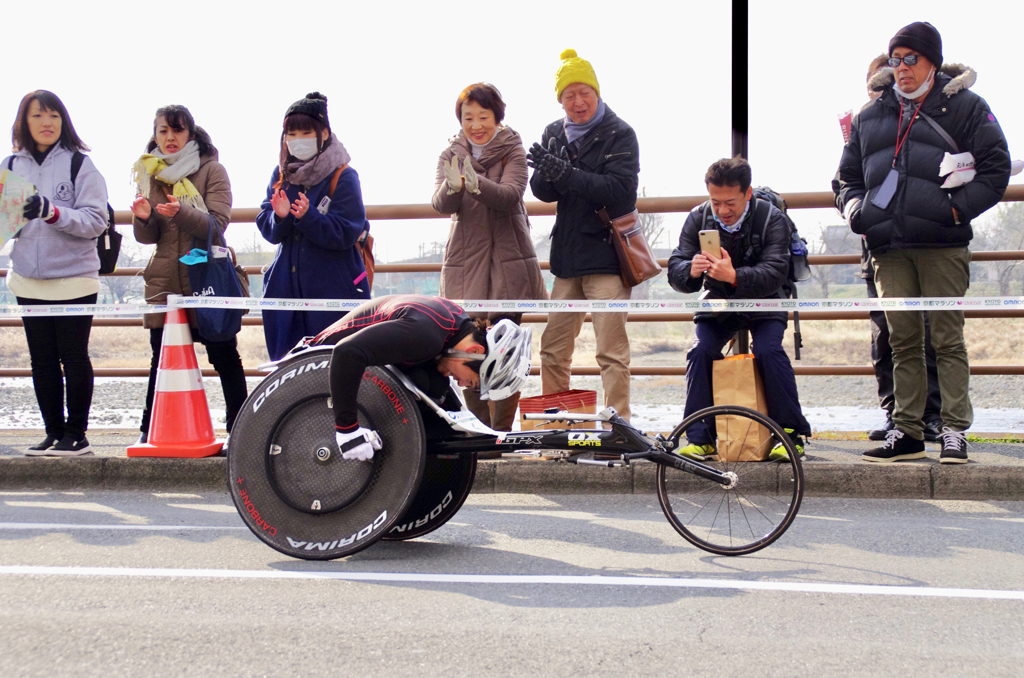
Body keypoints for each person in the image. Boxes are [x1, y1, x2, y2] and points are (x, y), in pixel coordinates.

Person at [836, 22, 1011, 463]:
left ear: (932, 61)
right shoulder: (870, 113)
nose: (901, 69)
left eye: (910, 59)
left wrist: (955, 210)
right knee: (902, 340)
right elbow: (846, 179)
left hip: (942, 243)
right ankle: (908, 431)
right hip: (888, 247)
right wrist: (856, 211)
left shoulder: (968, 107)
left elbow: (997, 168)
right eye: (895, 60)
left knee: (947, 339)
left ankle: (954, 430)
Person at [667, 157, 811, 461]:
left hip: (766, 298)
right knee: (700, 350)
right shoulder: (698, 217)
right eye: (715, 202)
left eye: (730, 202)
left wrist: (734, 276)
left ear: (747, 194)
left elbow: (775, 272)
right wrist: (690, 271)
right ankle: (700, 437)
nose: (722, 210)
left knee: (769, 350)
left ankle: (790, 435)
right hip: (717, 299)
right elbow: (676, 269)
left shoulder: (772, 218)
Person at [528, 49, 639, 422]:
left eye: (583, 92)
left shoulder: (621, 133)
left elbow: (619, 191)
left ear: (596, 92)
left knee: (610, 351)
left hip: (607, 258)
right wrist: (548, 173)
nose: (577, 102)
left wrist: (567, 173)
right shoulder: (553, 132)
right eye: (568, 95)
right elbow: (543, 192)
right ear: (560, 99)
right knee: (553, 348)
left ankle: (618, 425)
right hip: (567, 259)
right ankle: (561, 426)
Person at [838, 54, 944, 443]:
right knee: (885, 336)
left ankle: (931, 415)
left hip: (920, 242)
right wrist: (855, 211)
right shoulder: (862, 124)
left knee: (928, 331)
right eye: (874, 87)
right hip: (876, 246)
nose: (880, 93)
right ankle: (894, 414)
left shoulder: (921, 117)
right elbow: (845, 179)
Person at [432, 83, 546, 432]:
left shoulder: (513, 149)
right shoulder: (450, 153)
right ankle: (478, 433)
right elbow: (440, 204)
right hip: (466, 266)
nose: (476, 124)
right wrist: (453, 187)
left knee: (505, 352)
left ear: (498, 118)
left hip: (508, 266)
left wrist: (474, 183)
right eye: (469, 117)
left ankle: (502, 433)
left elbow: (511, 195)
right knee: (467, 350)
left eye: (484, 116)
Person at [131, 105, 247, 443]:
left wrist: (182, 212)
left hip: (208, 277)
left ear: (190, 134)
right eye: (163, 131)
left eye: (177, 130)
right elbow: (150, 237)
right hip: (166, 279)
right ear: (155, 134)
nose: (170, 138)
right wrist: (142, 219)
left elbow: (217, 225)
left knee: (224, 355)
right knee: (161, 358)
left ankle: (239, 432)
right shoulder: (150, 172)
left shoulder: (212, 170)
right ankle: (148, 430)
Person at [5, 91, 109, 456]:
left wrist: (52, 212)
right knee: (42, 359)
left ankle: (76, 435)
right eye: (37, 116)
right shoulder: (11, 166)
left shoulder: (80, 164)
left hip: (74, 277)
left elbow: (96, 221)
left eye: (54, 116)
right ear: (24, 122)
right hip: (27, 278)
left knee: (74, 356)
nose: (46, 123)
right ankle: (52, 432)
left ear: (63, 122)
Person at [309, 295, 532, 461]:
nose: (462, 384)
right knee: (428, 384)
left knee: (434, 386)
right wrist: (347, 430)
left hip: (356, 364)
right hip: (318, 366)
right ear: (474, 351)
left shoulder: (455, 326)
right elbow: (346, 353)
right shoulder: (426, 336)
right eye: (473, 382)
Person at [257, 92, 371, 361]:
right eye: (291, 134)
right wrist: (281, 217)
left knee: (334, 365)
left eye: (306, 132)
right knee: (286, 367)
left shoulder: (343, 175)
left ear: (324, 134)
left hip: (334, 293)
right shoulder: (282, 173)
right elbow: (267, 224)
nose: (298, 141)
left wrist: (308, 217)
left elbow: (346, 231)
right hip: (285, 293)